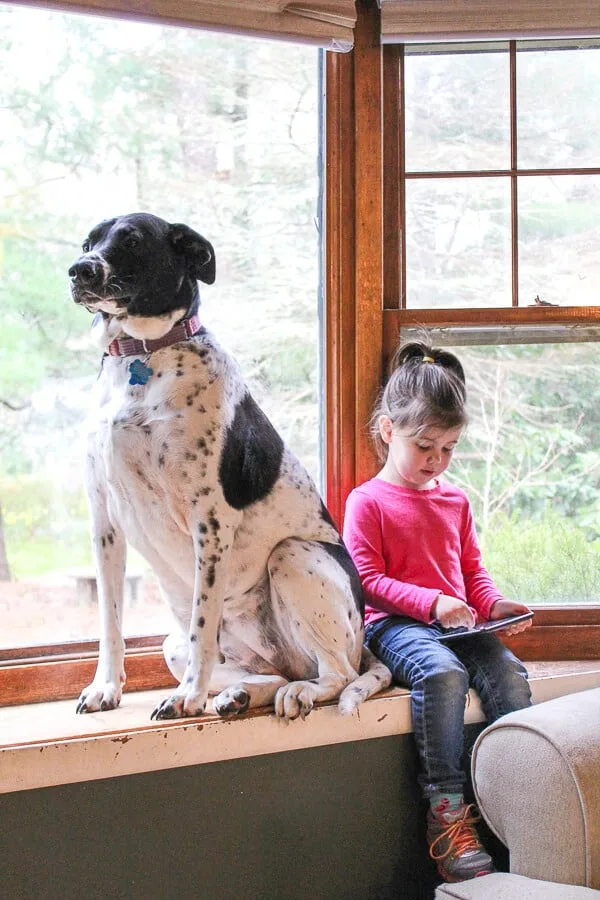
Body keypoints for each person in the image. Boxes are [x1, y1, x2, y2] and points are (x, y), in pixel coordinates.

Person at [343, 340, 533, 884]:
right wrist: (432, 602)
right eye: (425, 446)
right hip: (396, 626)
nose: (436, 461)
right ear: (387, 431)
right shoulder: (368, 501)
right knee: (444, 675)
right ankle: (446, 814)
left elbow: (471, 570)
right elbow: (368, 584)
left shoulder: (455, 501)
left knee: (509, 674)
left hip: (455, 622)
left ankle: (514, 797)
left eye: (448, 449)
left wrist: (492, 603)